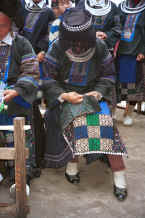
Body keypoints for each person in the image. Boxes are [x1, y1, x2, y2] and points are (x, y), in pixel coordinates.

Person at [42, 8, 128, 201]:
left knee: (106, 127)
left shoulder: (99, 46)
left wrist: (97, 93)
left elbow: (108, 75)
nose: (79, 45)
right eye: (74, 41)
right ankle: (71, 166)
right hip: (65, 95)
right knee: (75, 125)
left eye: (82, 40)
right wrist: (64, 95)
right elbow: (47, 79)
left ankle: (119, 176)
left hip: (94, 95)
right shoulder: (57, 48)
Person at [0, 2, 40, 196]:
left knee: (19, 140)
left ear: (11, 25)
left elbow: (32, 71)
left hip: (16, 100)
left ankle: (21, 177)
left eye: (2, 25)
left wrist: (16, 90)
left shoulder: (22, 43)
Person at [117, 0, 145, 125]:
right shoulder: (121, 6)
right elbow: (115, 27)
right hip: (118, 51)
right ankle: (111, 111)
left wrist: (143, 51)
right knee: (115, 83)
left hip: (135, 53)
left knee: (133, 85)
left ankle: (128, 114)